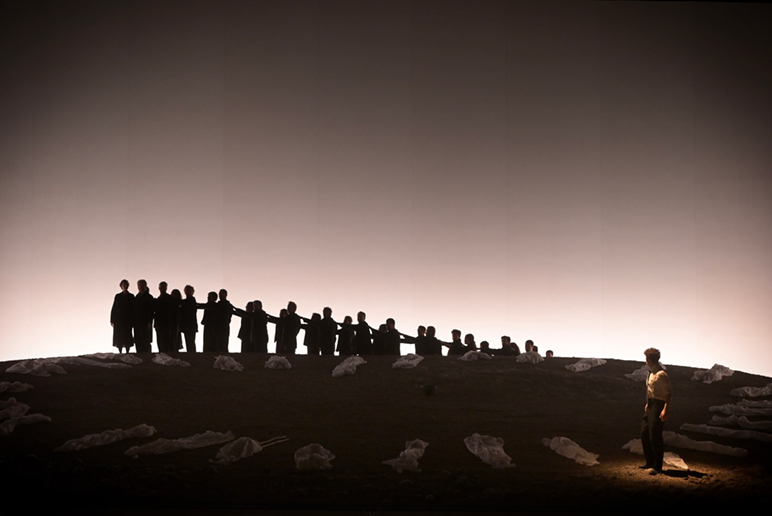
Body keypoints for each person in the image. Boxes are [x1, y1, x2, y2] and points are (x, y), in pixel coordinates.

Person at [640, 347, 672, 475]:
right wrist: (648, 403)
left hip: (658, 405)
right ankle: (649, 461)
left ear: (649, 359)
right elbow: (650, 391)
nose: (646, 361)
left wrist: (665, 409)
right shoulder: (651, 373)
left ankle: (657, 466)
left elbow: (668, 393)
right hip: (652, 405)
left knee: (655, 435)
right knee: (645, 433)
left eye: (647, 359)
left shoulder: (661, 375)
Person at [110, 279, 134, 353]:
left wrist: (133, 320)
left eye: (126, 285)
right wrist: (112, 319)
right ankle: (120, 351)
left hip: (127, 319)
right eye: (123, 285)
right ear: (121, 286)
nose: (125, 286)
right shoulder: (118, 296)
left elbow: (133, 308)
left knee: (127, 335)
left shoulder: (131, 296)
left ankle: (127, 351)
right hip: (119, 320)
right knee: (119, 336)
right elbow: (114, 308)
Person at [133, 279, 154, 353]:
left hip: (145, 322)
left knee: (146, 340)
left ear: (145, 286)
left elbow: (150, 311)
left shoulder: (149, 297)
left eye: (142, 285)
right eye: (139, 285)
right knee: (138, 340)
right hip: (137, 323)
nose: (140, 287)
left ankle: (147, 356)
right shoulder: (136, 298)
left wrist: (149, 322)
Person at [154, 282, 174, 353]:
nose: (162, 289)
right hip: (159, 323)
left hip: (166, 323)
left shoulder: (169, 299)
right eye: (161, 287)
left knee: (165, 341)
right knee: (160, 340)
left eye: (164, 287)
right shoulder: (159, 299)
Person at [180, 285, 198, 353]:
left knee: (190, 341)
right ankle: (191, 353)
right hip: (189, 324)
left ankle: (191, 353)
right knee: (189, 341)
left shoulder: (190, 301)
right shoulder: (190, 301)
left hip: (190, 324)